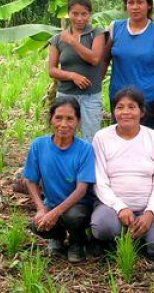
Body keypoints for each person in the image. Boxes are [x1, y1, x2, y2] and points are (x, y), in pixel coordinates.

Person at [90, 87, 154, 258]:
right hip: (111, 207)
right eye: (120, 107)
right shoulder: (102, 137)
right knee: (103, 227)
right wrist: (120, 207)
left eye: (132, 107)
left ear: (141, 112)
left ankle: (138, 234)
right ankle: (122, 235)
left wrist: (150, 213)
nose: (125, 112)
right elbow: (100, 181)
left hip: (146, 208)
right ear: (113, 111)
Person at [24, 96, 96, 263]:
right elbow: (30, 180)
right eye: (58, 118)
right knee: (37, 225)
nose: (64, 124)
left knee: (73, 217)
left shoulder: (85, 149)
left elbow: (81, 190)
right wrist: (41, 209)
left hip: (79, 206)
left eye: (70, 119)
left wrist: (54, 213)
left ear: (78, 122)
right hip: (52, 203)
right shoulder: (38, 145)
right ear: (50, 120)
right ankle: (58, 237)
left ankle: (77, 242)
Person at [102, 0, 154, 135]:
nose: (135, 7)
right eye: (131, 3)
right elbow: (104, 60)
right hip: (120, 101)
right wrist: (94, 89)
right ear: (126, 6)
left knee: (150, 145)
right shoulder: (115, 28)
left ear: (149, 6)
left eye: (140, 2)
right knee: (121, 144)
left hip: (149, 101)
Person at [48, 0, 106, 142]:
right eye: (75, 14)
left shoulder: (97, 33)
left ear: (90, 14)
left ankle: (88, 165)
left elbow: (94, 59)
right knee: (65, 135)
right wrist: (73, 76)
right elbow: (52, 70)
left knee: (91, 138)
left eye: (84, 14)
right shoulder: (57, 39)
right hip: (66, 95)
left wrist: (72, 42)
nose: (79, 18)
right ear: (69, 14)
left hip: (91, 96)